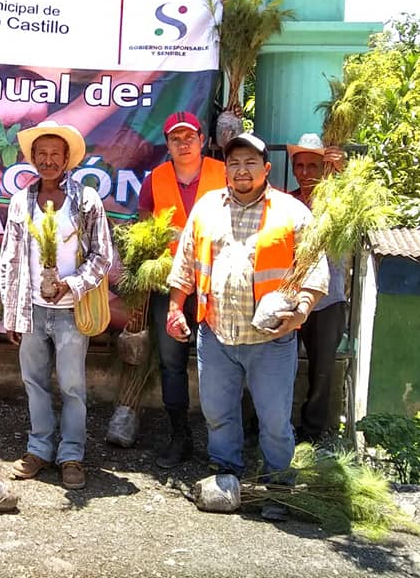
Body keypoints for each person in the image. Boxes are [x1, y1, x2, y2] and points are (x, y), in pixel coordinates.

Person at [165, 133, 327, 518]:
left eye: (250, 162)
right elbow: (184, 265)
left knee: (273, 421)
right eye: (234, 162)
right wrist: (175, 309)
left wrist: (301, 312)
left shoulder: (291, 212)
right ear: (226, 168)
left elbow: (314, 271)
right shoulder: (207, 209)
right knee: (218, 413)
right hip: (216, 334)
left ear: (266, 169)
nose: (241, 170)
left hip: (271, 340)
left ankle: (278, 487)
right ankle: (227, 477)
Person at [0, 120, 113, 490]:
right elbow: (11, 260)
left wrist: (72, 284)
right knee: (34, 383)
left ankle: (72, 455)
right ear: (32, 158)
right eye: (41, 154)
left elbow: (102, 256)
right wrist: (13, 313)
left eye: (55, 155)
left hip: (70, 311)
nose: (48, 161)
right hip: (32, 310)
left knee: (72, 386)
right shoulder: (21, 201)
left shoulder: (86, 201)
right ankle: (39, 449)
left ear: (67, 160)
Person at [137, 111, 227, 468]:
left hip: (217, 285)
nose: (184, 143)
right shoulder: (155, 179)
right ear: (168, 144)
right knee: (172, 363)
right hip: (169, 286)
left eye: (189, 136)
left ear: (202, 140)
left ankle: (223, 442)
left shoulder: (224, 174)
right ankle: (180, 437)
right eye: (176, 138)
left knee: (222, 363)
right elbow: (144, 232)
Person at [287, 133, 348, 444]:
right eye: (300, 165)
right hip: (290, 297)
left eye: (313, 165)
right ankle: (271, 426)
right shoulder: (287, 201)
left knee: (322, 370)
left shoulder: (337, 206)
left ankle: (311, 434)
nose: (306, 172)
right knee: (279, 364)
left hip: (329, 298)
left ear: (324, 169)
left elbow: (355, 212)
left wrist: (344, 175)